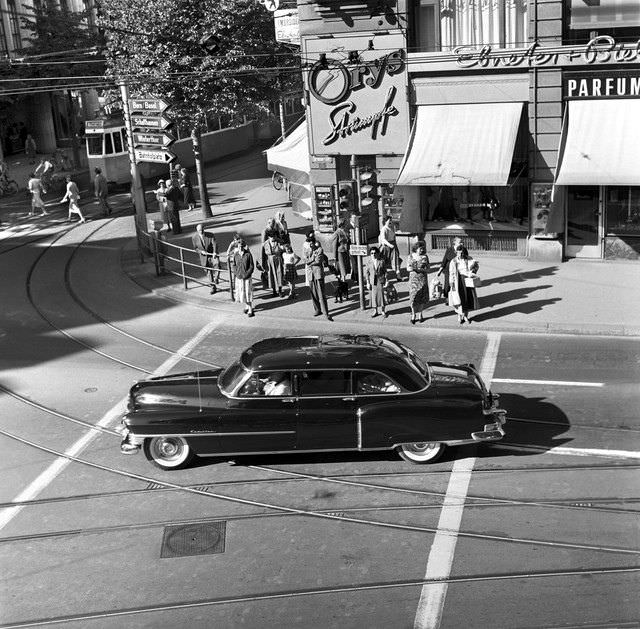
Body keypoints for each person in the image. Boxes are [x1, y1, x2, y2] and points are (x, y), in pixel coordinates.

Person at [448, 244, 479, 324]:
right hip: (458, 281)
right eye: (459, 253)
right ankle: (459, 315)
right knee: (459, 299)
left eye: (462, 253)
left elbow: (475, 266)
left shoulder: (468, 259)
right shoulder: (454, 261)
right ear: (456, 252)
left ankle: (465, 316)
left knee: (468, 298)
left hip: (467, 280)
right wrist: (451, 282)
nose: (460, 254)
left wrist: (473, 270)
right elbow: (451, 272)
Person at [303, 239, 332, 321]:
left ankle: (326, 312)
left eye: (312, 243)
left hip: (318, 274)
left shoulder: (319, 250)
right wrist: (312, 260)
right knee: (313, 294)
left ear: (315, 243)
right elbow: (304, 260)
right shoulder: (307, 250)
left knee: (321, 295)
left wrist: (310, 262)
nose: (311, 245)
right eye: (309, 244)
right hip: (310, 275)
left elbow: (318, 261)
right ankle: (317, 310)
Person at [191, 223, 219, 294]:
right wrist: (201, 251)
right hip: (204, 257)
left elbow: (215, 244)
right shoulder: (194, 237)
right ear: (197, 231)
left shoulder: (210, 235)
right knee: (209, 272)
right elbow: (195, 248)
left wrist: (215, 252)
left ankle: (216, 278)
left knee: (217, 265)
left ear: (204, 229)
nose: (201, 231)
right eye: (199, 230)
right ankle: (213, 288)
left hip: (212, 254)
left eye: (202, 229)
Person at [437, 236, 468, 300]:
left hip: (460, 270)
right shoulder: (449, 249)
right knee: (448, 284)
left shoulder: (464, 249)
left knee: (458, 284)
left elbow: (467, 259)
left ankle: (458, 298)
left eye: (462, 242)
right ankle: (447, 298)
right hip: (449, 270)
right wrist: (440, 270)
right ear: (455, 243)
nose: (462, 243)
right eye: (460, 242)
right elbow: (444, 260)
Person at [408, 241, 430, 324]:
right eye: (420, 248)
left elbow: (428, 268)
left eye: (423, 248)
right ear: (416, 249)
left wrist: (422, 270)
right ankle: (413, 314)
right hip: (413, 280)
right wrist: (413, 269)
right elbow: (408, 268)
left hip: (422, 279)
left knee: (422, 298)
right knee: (413, 298)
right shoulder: (410, 256)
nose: (422, 250)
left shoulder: (425, 257)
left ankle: (420, 314)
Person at [233, 239, 255, 317]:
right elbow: (234, 265)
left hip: (247, 278)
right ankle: (246, 306)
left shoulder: (248, 254)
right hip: (239, 277)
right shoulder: (236, 254)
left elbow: (252, 266)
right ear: (237, 247)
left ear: (244, 246)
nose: (240, 248)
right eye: (239, 246)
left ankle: (250, 309)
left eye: (242, 246)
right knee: (242, 293)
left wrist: (246, 274)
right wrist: (237, 273)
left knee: (248, 293)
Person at [366, 246, 388, 318]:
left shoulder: (381, 261)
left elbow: (385, 272)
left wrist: (387, 280)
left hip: (380, 280)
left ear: (378, 254)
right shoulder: (369, 262)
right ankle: (375, 310)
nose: (373, 254)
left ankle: (383, 310)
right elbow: (367, 273)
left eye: (375, 253)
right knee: (374, 296)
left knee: (381, 295)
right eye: (371, 253)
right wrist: (367, 282)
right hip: (373, 281)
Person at [332, 219, 351, 302]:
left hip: (345, 252)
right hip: (340, 253)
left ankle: (344, 285)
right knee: (342, 270)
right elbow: (334, 246)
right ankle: (343, 287)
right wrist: (334, 257)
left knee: (345, 270)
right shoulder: (337, 233)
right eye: (344, 223)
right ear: (341, 224)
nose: (345, 225)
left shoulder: (345, 231)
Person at [261, 232, 284, 297]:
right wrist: (263, 264)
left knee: (279, 274)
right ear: (268, 237)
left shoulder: (278, 242)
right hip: (270, 260)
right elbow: (263, 255)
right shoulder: (265, 244)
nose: (273, 238)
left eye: (274, 236)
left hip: (278, 258)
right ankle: (274, 291)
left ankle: (280, 290)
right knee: (271, 275)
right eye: (271, 237)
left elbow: (283, 245)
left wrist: (278, 239)